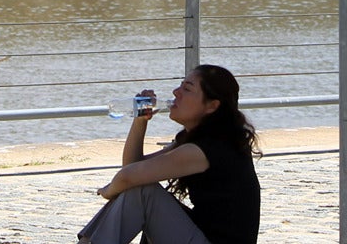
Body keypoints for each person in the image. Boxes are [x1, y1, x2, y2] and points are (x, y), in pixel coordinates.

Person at [77, 64, 261, 244]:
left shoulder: (206, 148)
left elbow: (128, 176)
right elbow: (133, 168)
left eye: (187, 89)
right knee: (141, 186)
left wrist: (109, 191)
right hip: (202, 234)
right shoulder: (202, 138)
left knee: (144, 191)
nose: (176, 92)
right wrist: (140, 120)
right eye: (180, 85)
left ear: (212, 106)